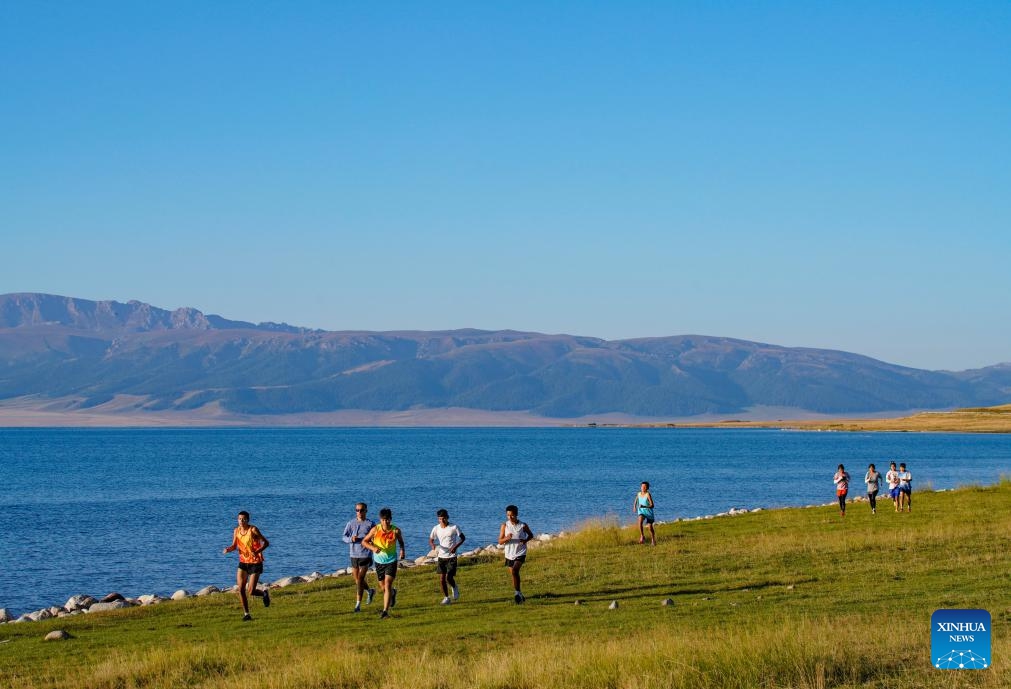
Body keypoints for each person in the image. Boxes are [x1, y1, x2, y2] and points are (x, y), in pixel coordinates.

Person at [222, 510, 271, 621]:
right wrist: (228, 549)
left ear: (248, 520)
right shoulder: (236, 530)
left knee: (251, 591)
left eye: (243, 519)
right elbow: (234, 546)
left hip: (255, 562)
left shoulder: (253, 530)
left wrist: (258, 551)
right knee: (240, 589)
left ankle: (264, 593)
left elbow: (266, 543)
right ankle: (246, 614)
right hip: (243, 562)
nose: (241, 521)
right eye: (239, 519)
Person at [363, 507, 406, 619]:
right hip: (379, 562)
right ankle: (393, 593)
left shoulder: (396, 530)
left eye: (387, 520)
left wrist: (402, 550)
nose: (385, 522)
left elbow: (401, 542)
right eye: (383, 520)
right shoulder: (375, 530)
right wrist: (373, 548)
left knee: (387, 584)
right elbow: (364, 542)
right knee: (383, 587)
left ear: (390, 519)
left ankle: (385, 612)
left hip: (391, 560)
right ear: (380, 519)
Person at [342, 502, 376, 612]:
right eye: (357, 510)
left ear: (366, 511)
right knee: (357, 580)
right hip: (353, 554)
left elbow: (376, 537)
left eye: (361, 510)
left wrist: (373, 544)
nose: (359, 512)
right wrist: (350, 539)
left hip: (366, 554)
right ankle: (370, 591)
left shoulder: (370, 524)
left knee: (360, 578)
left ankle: (357, 605)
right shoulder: (351, 523)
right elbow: (344, 537)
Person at [498, 504, 534, 603]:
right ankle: (520, 594)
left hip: (520, 552)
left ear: (516, 514)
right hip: (509, 554)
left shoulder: (523, 525)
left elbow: (531, 535)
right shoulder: (504, 526)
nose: (510, 517)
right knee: (514, 575)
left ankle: (517, 594)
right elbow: (500, 541)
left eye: (512, 515)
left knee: (514, 571)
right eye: (508, 515)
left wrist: (525, 540)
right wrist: (506, 538)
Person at [429, 509, 466, 605]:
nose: (442, 520)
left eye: (444, 518)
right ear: (438, 519)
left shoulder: (454, 527)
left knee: (449, 578)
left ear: (447, 517)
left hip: (452, 556)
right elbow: (431, 539)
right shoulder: (436, 528)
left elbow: (463, 538)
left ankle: (454, 587)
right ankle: (446, 598)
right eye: (440, 519)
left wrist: (455, 547)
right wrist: (432, 544)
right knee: (442, 579)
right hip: (441, 556)